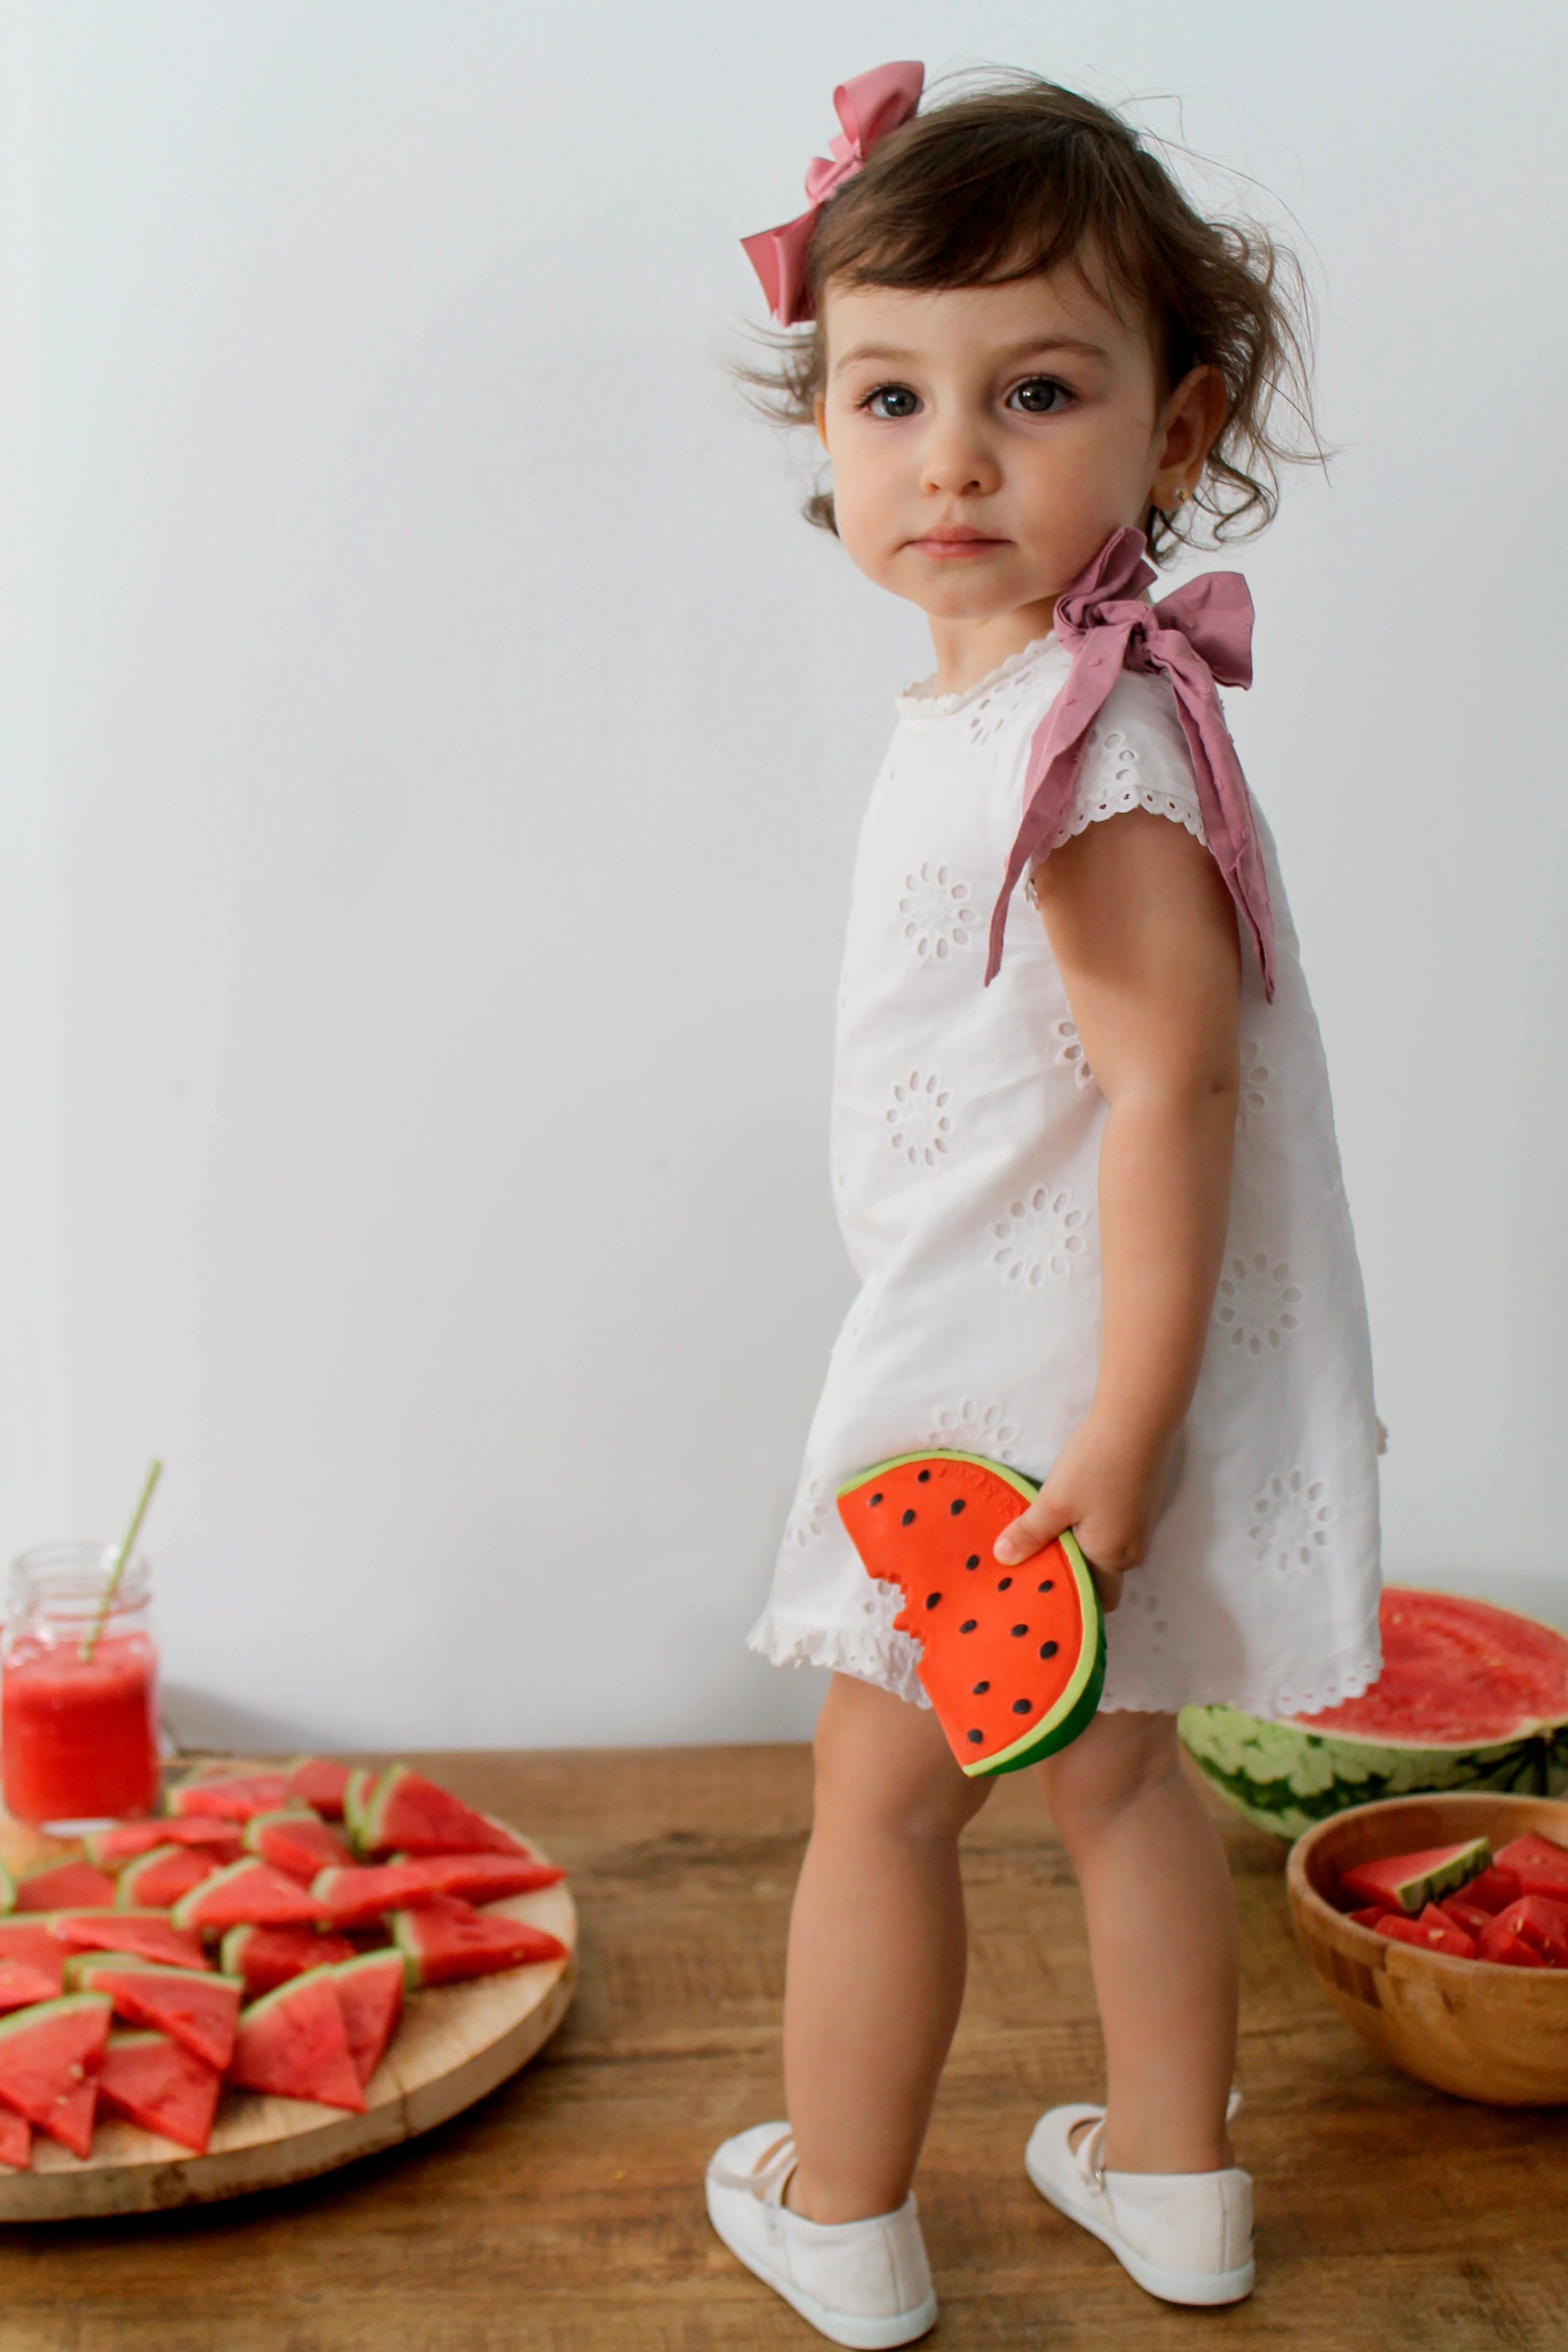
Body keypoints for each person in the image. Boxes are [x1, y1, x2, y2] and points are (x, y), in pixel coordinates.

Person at [707, 63, 1381, 2346]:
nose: (952, 454)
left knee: (881, 1804)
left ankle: (843, 2209)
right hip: (1060, 1370)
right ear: (826, 422)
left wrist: (1110, 1441)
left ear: (1177, 435)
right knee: (1115, 1780)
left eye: (1038, 390)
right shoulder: (1022, 716)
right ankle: (1177, 2190)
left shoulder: (1087, 743)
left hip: (1019, 1390)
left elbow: (1173, 1088)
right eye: (889, 391)